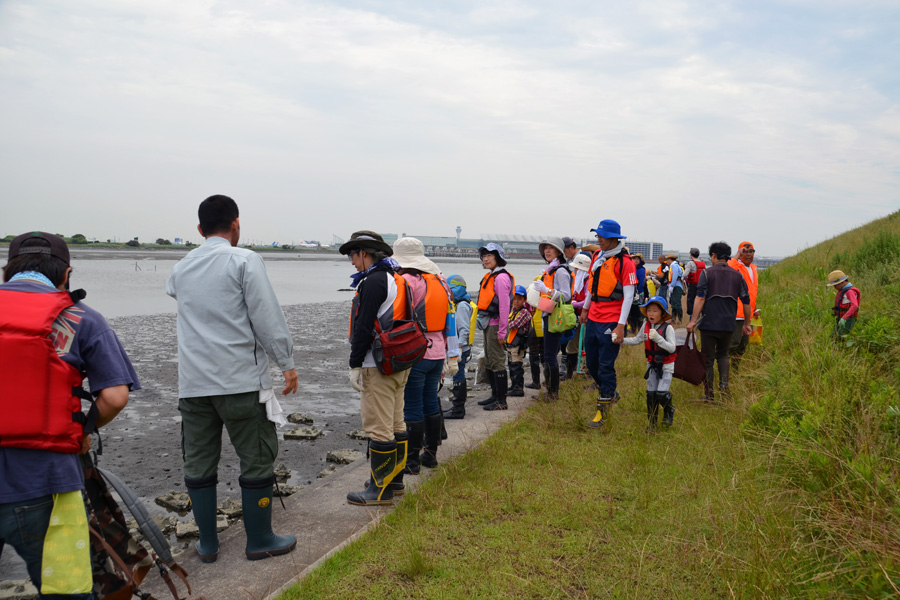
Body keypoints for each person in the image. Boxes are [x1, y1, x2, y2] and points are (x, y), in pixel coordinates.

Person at [1, 231, 139, 598]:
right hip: (46, 482)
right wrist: (82, 428)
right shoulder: (81, 317)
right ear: (66, 275)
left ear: (6, 271)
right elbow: (114, 395)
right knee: (67, 589)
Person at [167, 195, 298, 558]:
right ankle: (259, 540)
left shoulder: (181, 267)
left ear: (199, 229)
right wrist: (286, 362)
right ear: (235, 224)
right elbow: (266, 317)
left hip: (193, 386)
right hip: (239, 382)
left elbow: (175, 292)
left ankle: (208, 543)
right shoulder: (244, 260)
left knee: (198, 462)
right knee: (256, 457)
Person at [340, 230, 412, 505]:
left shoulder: (372, 282)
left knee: (378, 426)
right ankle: (395, 483)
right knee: (396, 422)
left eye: (352, 254)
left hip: (378, 364)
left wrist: (355, 364)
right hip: (398, 362)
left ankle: (378, 491)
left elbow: (363, 326)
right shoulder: (396, 279)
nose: (351, 261)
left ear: (365, 253)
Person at [392, 238, 459, 472]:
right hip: (438, 351)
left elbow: (396, 316)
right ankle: (430, 455)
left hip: (416, 351)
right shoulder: (441, 282)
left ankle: (411, 462)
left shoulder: (407, 281)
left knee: (411, 406)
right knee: (431, 401)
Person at [580, 219, 638, 428]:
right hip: (594, 316)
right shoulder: (597, 256)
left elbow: (629, 296)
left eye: (602, 236)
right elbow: (591, 287)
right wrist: (585, 308)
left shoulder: (626, 262)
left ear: (614, 238)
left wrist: (621, 325)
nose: (599, 240)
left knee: (605, 365)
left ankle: (602, 412)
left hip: (612, 318)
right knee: (592, 364)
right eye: (598, 236)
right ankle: (610, 392)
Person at [686, 241, 751, 403]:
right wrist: (747, 324)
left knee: (707, 359)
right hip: (729, 324)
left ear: (714, 256)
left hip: (709, 323)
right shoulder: (737, 275)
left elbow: (700, 297)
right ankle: (724, 389)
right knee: (723, 356)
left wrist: (693, 321)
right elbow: (746, 301)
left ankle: (709, 394)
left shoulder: (707, 273)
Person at [623, 296, 677, 431]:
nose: (651, 314)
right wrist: (620, 340)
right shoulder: (646, 326)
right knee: (651, 396)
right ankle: (652, 425)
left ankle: (669, 410)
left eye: (655, 310)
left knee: (661, 394)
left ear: (663, 313)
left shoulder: (668, 328)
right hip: (652, 365)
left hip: (666, 366)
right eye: (649, 311)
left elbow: (672, 348)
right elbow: (637, 340)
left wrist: (659, 339)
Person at [475, 243, 514, 411]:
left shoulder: (501, 278)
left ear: (498, 257)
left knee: (497, 362)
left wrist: (502, 332)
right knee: (490, 361)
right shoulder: (491, 276)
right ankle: (494, 395)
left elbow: (504, 307)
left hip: (496, 325)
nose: (485, 258)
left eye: (489, 255)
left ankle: (501, 401)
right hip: (487, 323)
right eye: (484, 256)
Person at [533, 238, 573, 401]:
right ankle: (549, 390)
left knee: (550, 355)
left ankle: (553, 393)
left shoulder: (561, 271)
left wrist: (547, 290)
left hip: (555, 317)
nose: (547, 251)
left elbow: (566, 295)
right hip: (548, 314)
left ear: (559, 252)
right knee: (548, 354)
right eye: (545, 249)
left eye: (551, 248)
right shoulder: (551, 269)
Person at [443, 275, 475, 419]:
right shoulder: (463, 303)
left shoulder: (462, 306)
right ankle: (457, 408)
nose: (448, 294)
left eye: (449, 290)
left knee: (458, 375)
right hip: (462, 347)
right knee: (458, 374)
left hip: (462, 347)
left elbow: (464, 329)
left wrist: (460, 347)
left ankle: (458, 409)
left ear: (455, 290)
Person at [727, 241, 760, 368]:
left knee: (742, 345)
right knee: (733, 344)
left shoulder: (753, 269)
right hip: (736, 314)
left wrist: (755, 309)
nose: (748, 254)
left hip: (748, 315)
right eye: (744, 251)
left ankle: (735, 369)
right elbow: (726, 267)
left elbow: (752, 292)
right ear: (739, 253)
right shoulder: (736, 267)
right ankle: (724, 369)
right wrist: (736, 255)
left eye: (751, 251)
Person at [566, 253, 592, 378]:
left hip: (586, 318)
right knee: (579, 345)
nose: (575, 271)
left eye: (576, 268)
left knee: (574, 346)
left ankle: (571, 374)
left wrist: (573, 305)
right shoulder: (581, 281)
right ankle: (578, 372)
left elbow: (587, 300)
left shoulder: (586, 281)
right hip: (580, 317)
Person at [506, 285, 533, 397]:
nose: (516, 301)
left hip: (518, 343)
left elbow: (513, 325)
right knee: (511, 364)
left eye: (519, 299)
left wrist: (503, 324)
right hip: (511, 343)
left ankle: (518, 388)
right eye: (515, 298)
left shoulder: (524, 313)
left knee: (516, 365)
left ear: (525, 300)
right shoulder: (514, 311)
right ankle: (513, 385)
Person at [826, 270, 860, 338]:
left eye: (835, 285)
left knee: (840, 337)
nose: (834, 288)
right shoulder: (843, 291)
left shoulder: (850, 292)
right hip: (841, 318)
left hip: (848, 319)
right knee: (833, 336)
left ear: (842, 282)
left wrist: (844, 318)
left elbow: (855, 305)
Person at [525, 280, 545, 390]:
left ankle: (536, 381)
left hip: (535, 327)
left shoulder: (532, 294)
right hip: (545, 327)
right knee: (545, 355)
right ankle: (547, 380)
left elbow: (528, 307)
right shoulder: (546, 294)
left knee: (533, 354)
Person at [683, 248, 706, 322]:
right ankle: (701, 319)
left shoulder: (690, 263)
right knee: (701, 301)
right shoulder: (703, 263)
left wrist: (682, 278)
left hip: (693, 285)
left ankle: (692, 320)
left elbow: (685, 274)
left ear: (691, 254)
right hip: (702, 286)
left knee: (692, 302)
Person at [666, 253, 685, 323]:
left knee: (677, 303)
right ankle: (673, 319)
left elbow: (675, 276)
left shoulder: (674, 266)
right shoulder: (675, 265)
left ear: (670, 259)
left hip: (676, 286)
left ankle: (680, 320)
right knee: (674, 303)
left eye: (667, 259)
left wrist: (672, 285)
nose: (667, 261)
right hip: (676, 285)